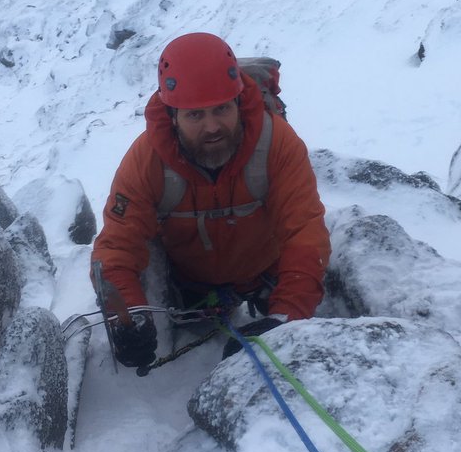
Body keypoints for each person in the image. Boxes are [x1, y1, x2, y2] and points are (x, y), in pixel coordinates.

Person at [91, 32, 331, 370]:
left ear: (238, 103)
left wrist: (285, 316)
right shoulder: (147, 161)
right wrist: (128, 318)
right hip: (189, 286)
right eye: (195, 115)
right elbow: (117, 247)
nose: (212, 127)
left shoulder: (276, 143)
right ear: (172, 115)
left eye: (222, 109)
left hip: (265, 275)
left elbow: (305, 233)